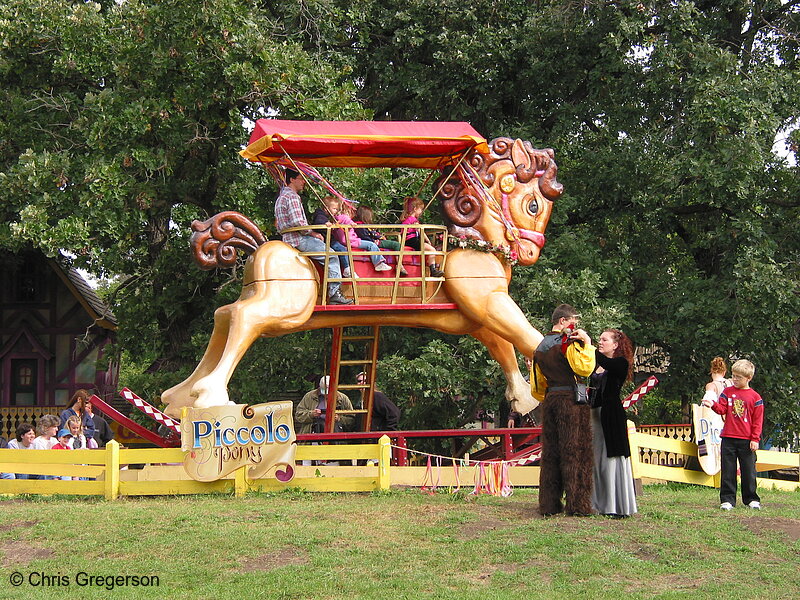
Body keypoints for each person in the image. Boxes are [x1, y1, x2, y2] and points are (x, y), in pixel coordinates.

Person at [531, 304, 596, 516]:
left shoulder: (539, 348)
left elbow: (537, 386)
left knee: (550, 453)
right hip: (570, 401)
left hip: (550, 400)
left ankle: (549, 505)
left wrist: (549, 396)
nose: (575, 326)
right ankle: (578, 506)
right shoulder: (569, 344)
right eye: (573, 322)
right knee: (575, 451)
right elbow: (584, 368)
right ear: (562, 322)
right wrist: (587, 344)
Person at [274, 169, 353, 305]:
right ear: (292, 180)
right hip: (297, 239)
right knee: (332, 255)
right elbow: (297, 222)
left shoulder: (281, 197)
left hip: (288, 238)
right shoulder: (292, 197)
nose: (303, 182)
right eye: (301, 178)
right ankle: (334, 293)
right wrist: (313, 233)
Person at [702, 359, 764, 510]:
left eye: (738, 377)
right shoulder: (727, 392)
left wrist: (755, 439)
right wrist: (713, 405)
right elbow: (722, 409)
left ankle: (751, 499)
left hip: (747, 440)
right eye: (733, 376)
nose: (734, 380)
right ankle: (727, 500)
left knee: (748, 471)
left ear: (748, 378)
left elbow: (757, 421)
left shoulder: (755, 398)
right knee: (728, 470)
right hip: (728, 438)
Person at [590, 328, 638, 518]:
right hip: (594, 415)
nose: (600, 342)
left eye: (604, 340)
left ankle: (615, 504)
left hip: (611, 416)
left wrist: (587, 345)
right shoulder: (597, 364)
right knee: (595, 459)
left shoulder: (620, 363)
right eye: (599, 339)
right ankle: (596, 503)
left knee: (611, 459)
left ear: (615, 345)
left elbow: (606, 362)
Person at [334, 199, 394, 273]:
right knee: (371, 245)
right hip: (352, 241)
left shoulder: (337, 219)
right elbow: (349, 222)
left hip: (348, 240)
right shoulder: (345, 218)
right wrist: (353, 224)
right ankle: (378, 263)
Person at [354, 205, 408, 276]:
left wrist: (379, 236)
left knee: (396, 244)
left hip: (374, 240)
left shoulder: (363, 225)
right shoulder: (359, 225)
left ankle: (399, 264)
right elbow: (364, 236)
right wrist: (375, 240)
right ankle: (399, 265)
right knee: (396, 245)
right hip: (374, 242)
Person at [400, 197, 444, 277]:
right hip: (412, 240)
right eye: (420, 209)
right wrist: (427, 240)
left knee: (426, 249)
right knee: (431, 249)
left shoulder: (405, 220)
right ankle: (433, 270)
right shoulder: (413, 220)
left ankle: (432, 264)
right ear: (415, 209)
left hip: (407, 240)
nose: (421, 212)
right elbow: (420, 230)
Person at [311, 195, 353, 277]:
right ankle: (346, 268)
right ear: (326, 208)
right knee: (341, 248)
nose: (336, 211)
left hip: (328, 238)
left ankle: (347, 267)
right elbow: (318, 221)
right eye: (334, 209)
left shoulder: (327, 216)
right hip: (326, 239)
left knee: (341, 248)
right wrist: (325, 223)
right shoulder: (320, 215)